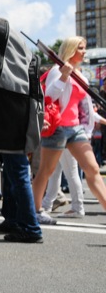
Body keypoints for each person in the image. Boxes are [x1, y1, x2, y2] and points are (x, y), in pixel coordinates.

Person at [32, 36, 106, 223]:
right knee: (46, 172)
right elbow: (49, 96)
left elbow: (84, 105)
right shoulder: (57, 71)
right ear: (71, 49)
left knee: (92, 169)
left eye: (84, 48)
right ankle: (34, 211)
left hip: (76, 128)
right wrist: (64, 76)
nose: (84, 51)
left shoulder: (80, 74)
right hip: (57, 128)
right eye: (80, 48)